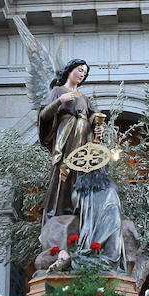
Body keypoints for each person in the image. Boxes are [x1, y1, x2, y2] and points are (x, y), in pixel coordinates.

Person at [37, 58, 128, 269]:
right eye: (79, 70)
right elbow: (43, 116)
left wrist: (97, 126)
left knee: (85, 175)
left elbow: (94, 116)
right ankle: (62, 211)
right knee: (65, 174)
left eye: (85, 73)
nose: (81, 75)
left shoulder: (84, 98)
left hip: (85, 144)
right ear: (69, 70)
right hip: (66, 140)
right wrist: (59, 102)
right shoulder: (58, 92)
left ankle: (83, 212)